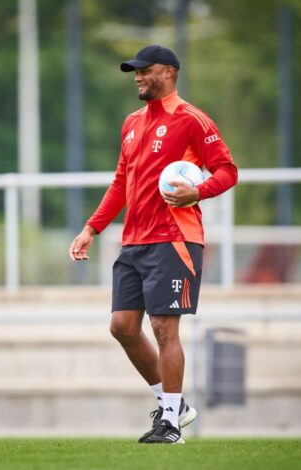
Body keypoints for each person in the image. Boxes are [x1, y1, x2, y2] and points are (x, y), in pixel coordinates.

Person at [68, 45, 238, 444]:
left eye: (145, 70)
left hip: (175, 239)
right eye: (135, 72)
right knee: (123, 327)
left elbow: (227, 170)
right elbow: (120, 183)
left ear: (170, 71)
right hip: (133, 241)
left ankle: (171, 425)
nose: (138, 77)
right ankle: (173, 403)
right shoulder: (131, 123)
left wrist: (197, 192)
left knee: (164, 327)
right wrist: (91, 228)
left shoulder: (193, 119)